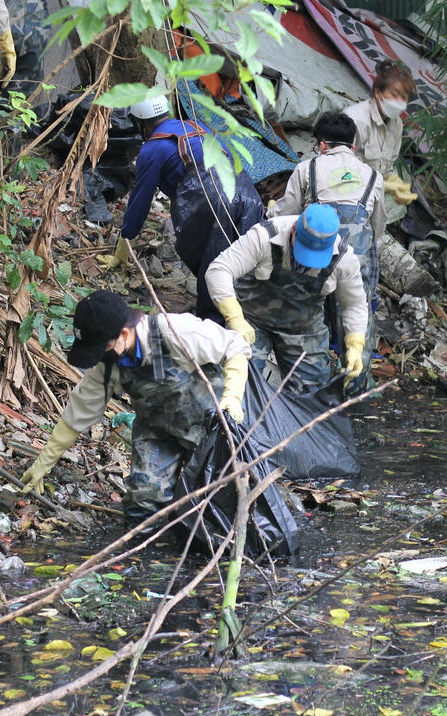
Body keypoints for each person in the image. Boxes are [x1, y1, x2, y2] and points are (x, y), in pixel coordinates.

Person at [19, 290, 250, 526]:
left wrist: (232, 397)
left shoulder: (174, 331)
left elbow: (236, 347)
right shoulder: (108, 365)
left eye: (102, 348)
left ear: (125, 334)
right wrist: (43, 463)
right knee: (143, 504)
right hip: (158, 432)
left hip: (213, 428)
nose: (99, 357)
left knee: (220, 504)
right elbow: (78, 412)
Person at [101, 95, 264, 320]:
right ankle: (247, 317)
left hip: (213, 198)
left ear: (140, 122)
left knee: (213, 263)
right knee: (243, 260)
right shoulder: (195, 127)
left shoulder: (153, 148)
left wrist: (125, 240)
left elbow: (141, 198)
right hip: (248, 192)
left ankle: (213, 327)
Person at [269, 112, 382, 394]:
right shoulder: (374, 176)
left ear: (321, 145)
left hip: (315, 253)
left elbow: (286, 213)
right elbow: (378, 226)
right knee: (356, 320)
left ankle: (309, 387)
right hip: (359, 258)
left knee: (310, 316)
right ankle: (354, 390)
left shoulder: (307, 169)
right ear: (353, 147)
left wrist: (270, 209)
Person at [206, 205, 368, 395]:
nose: (306, 262)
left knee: (312, 395)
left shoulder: (343, 258)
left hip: (303, 328)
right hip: (251, 321)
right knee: (236, 383)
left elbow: (354, 304)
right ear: (293, 230)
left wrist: (355, 343)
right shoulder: (265, 236)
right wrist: (235, 318)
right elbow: (219, 270)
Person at [344, 59, 419, 209]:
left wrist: (393, 180)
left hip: (367, 201)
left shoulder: (396, 124)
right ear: (378, 93)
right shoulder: (355, 119)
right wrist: (383, 185)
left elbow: (386, 166)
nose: (399, 101)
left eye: (403, 97)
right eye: (394, 94)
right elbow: (343, 172)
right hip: (342, 196)